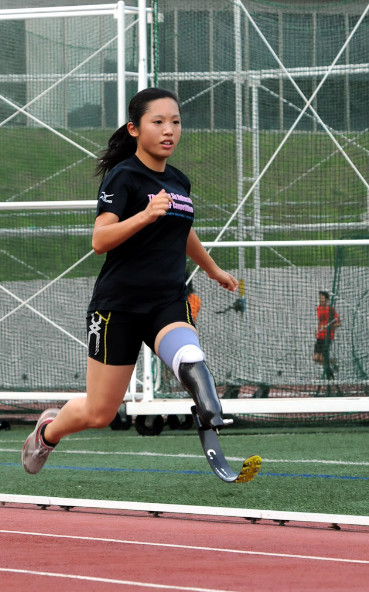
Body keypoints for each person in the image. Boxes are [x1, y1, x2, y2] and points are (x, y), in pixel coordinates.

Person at [22, 87, 238, 475]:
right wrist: (145, 215)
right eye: (158, 122)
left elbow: (182, 229)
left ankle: (210, 412)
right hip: (117, 307)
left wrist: (213, 270)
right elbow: (99, 240)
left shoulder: (178, 181)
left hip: (166, 301)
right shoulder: (123, 178)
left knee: (189, 357)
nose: (169, 130)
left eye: (175, 122)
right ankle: (47, 433)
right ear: (135, 129)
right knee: (99, 412)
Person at [313, 290, 341, 379]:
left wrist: (331, 326)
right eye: (319, 297)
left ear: (327, 299)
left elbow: (338, 323)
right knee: (315, 358)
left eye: (322, 297)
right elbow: (320, 322)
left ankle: (330, 376)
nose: (320, 299)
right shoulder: (318, 308)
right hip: (320, 336)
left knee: (321, 358)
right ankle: (332, 363)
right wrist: (317, 330)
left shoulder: (331, 310)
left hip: (328, 336)